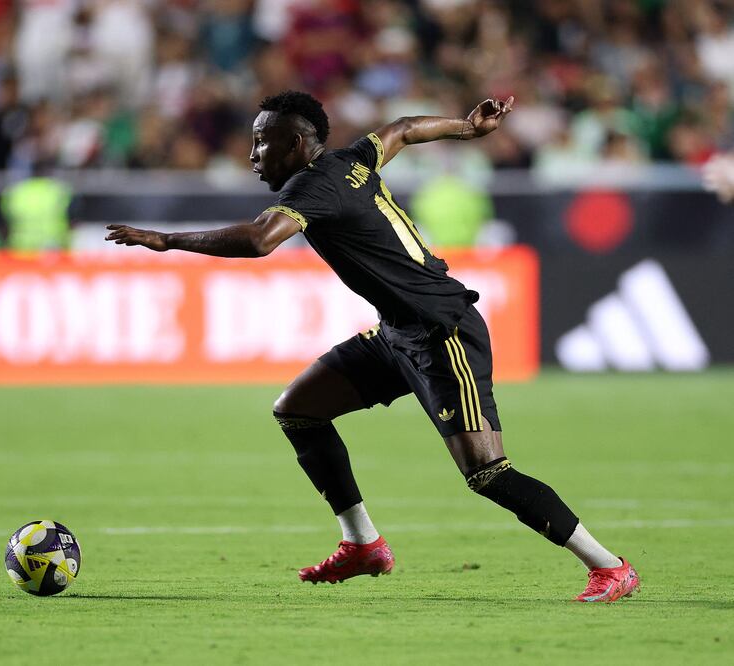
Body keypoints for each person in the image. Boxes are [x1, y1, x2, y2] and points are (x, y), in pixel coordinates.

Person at [105, 90, 640, 603]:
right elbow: (403, 130)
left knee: (486, 472)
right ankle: (362, 544)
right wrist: (467, 128)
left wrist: (168, 240)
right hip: (397, 333)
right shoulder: (353, 160)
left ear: (295, 143)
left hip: (442, 332)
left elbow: (259, 240)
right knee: (297, 410)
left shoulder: (313, 186)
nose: (252, 156)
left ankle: (610, 566)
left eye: (262, 142)